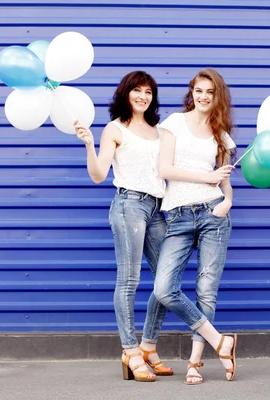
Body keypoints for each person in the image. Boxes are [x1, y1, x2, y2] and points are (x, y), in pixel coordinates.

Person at [74, 71, 172, 382]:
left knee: (166, 283)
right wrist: (89, 145)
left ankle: (148, 345)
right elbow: (99, 174)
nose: (143, 96)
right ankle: (130, 351)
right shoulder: (115, 128)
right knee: (129, 280)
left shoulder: (159, 131)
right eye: (137, 91)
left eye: (148, 91)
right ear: (125, 94)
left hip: (157, 208)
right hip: (129, 204)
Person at [153, 68, 238, 385]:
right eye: (199, 90)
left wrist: (227, 200)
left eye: (210, 92)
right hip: (177, 215)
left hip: (213, 213)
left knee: (206, 290)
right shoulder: (174, 123)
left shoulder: (221, 133)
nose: (203, 96)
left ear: (218, 96)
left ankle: (194, 363)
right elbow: (165, 169)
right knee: (164, 289)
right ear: (192, 92)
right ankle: (220, 341)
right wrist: (208, 178)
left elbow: (224, 177)